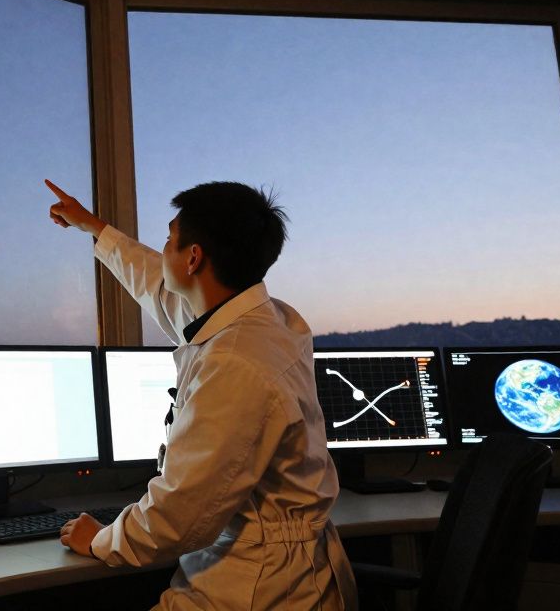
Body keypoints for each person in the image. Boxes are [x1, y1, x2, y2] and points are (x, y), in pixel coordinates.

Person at [45, 178, 355, 610]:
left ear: (193, 258)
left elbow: (176, 516)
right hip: (268, 564)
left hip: (258, 587)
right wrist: (95, 228)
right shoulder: (263, 320)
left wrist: (99, 539)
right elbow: (157, 285)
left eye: (169, 239)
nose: (164, 249)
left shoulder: (234, 364)